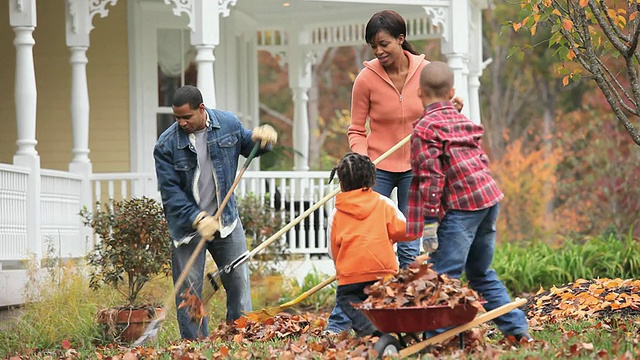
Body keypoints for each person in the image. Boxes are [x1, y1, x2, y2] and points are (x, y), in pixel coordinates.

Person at [328, 9, 463, 334]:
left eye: (384, 44)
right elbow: (356, 130)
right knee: (363, 238)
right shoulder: (366, 79)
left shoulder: (426, 70)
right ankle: (340, 323)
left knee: (408, 243)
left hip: (417, 166)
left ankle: (402, 311)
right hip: (378, 168)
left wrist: (452, 108)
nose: (378, 52)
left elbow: (445, 106)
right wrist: (362, 163)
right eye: (373, 46)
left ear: (401, 39)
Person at [406, 61, 532, 342]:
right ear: (452, 92)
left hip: (463, 209)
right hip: (488, 199)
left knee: (443, 277)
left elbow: (431, 177)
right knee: (480, 271)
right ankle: (518, 332)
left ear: (419, 92)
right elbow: (481, 159)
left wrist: (429, 223)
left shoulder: (425, 129)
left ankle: (439, 340)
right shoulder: (464, 121)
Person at [153, 85, 277, 340]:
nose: (182, 123)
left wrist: (262, 139)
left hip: (226, 221)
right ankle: (195, 344)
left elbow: (248, 144)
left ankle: (240, 336)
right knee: (189, 292)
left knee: (238, 282)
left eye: (186, 117)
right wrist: (197, 218)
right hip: (188, 228)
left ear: (201, 109)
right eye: (177, 118)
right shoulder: (166, 145)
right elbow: (170, 193)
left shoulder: (227, 124)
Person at [327, 153, 416, 337]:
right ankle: (386, 330)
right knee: (382, 303)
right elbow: (405, 231)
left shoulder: (336, 212)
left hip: (351, 276)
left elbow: (333, 250)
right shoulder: (384, 204)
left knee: (347, 301)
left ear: (341, 183)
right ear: (372, 179)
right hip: (383, 273)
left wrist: (341, 267)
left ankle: (368, 330)